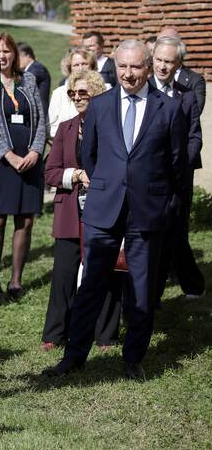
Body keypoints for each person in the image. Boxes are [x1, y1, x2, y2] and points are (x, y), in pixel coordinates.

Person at [44, 39, 187, 381]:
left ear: (148, 68)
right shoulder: (101, 106)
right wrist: (108, 185)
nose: (128, 73)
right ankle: (74, 356)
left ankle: (133, 358)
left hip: (146, 213)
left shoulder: (167, 109)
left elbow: (176, 164)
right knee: (91, 284)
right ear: (115, 67)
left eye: (136, 66)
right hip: (103, 208)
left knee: (140, 287)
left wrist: (161, 205)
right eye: (122, 66)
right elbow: (90, 156)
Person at [42, 70, 122, 351]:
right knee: (63, 274)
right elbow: (50, 172)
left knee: (106, 273)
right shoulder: (65, 128)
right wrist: (75, 174)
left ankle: (106, 336)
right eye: (72, 93)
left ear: (97, 94)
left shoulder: (113, 126)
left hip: (104, 210)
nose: (76, 97)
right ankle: (54, 334)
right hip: (69, 212)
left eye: (82, 93)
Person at [0, 32, 46, 300]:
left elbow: (41, 120)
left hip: (29, 160)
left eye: (6, 51)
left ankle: (16, 280)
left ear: (14, 54)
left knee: (26, 220)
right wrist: (8, 155)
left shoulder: (28, 81)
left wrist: (35, 151)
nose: (2, 56)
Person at [150, 36, 205, 300]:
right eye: (158, 60)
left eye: (168, 62)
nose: (162, 66)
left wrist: (181, 167)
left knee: (175, 232)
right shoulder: (141, 91)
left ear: (178, 64)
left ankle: (188, 286)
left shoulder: (187, 97)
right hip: (146, 178)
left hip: (177, 179)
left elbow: (195, 136)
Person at [47, 47, 97, 139]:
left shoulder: (104, 89)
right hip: (66, 144)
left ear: (92, 66)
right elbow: (52, 128)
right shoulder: (58, 94)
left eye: (85, 64)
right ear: (69, 69)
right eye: (76, 65)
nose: (81, 68)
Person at [158, 26, 206, 112]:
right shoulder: (146, 78)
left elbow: (195, 112)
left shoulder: (195, 80)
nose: (162, 66)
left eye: (168, 43)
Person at [18, 42, 52, 114]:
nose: (16, 61)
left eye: (17, 57)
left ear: (26, 55)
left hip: (39, 114)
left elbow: (24, 83)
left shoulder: (37, 69)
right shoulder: (31, 69)